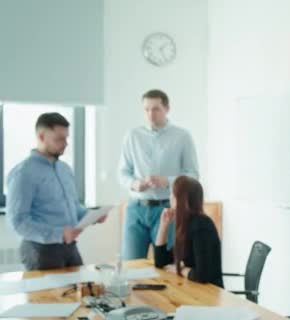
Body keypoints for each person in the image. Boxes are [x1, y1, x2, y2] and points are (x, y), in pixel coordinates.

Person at [6, 112, 108, 270]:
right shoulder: (24, 173)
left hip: (69, 247)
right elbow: (18, 221)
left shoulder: (64, 169)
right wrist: (59, 233)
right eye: (59, 139)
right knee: (47, 295)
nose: (65, 143)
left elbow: (73, 208)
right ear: (41, 137)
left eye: (66, 138)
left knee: (79, 291)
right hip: (40, 250)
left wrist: (92, 216)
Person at [118, 89, 199, 259]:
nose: (150, 114)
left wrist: (168, 181)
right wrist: (134, 183)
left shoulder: (182, 136)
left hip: (167, 210)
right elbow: (123, 173)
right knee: (130, 265)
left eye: (155, 109)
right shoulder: (132, 136)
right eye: (146, 109)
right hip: (135, 209)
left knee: (164, 264)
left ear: (167, 109)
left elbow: (193, 175)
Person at [153, 176, 223, 287]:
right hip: (196, 289)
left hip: (210, 293)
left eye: (172, 193)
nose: (169, 197)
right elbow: (160, 261)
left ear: (181, 199)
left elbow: (202, 275)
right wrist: (163, 225)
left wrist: (180, 269)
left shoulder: (201, 225)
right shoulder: (187, 223)